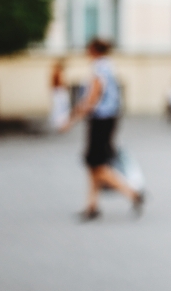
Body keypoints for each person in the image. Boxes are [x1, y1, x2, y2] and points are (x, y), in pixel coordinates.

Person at [61, 38, 144, 221]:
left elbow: (92, 98)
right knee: (93, 163)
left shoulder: (99, 68)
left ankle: (133, 193)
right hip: (108, 119)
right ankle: (92, 205)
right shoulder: (109, 65)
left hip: (101, 121)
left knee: (96, 163)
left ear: (93, 50)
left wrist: (71, 119)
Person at [49, 59, 72, 131]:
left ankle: (60, 124)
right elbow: (61, 83)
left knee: (58, 108)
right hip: (60, 92)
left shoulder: (54, 73)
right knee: (62, 108)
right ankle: (61, 124)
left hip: (57, 92)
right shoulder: (58, 73)